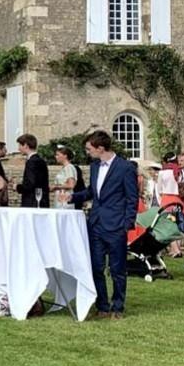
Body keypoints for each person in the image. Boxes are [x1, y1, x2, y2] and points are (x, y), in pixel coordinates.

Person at [71, 130, 139, 319]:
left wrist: (127, 224)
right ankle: (102, 305)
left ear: (100, 148)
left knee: (117, 269)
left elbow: (132, 198)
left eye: (89, 148)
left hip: (116, 225)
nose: (87, 152)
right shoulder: (94, 167)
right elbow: (91, 192)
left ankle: (117, 306)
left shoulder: (125, 168)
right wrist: (72, 197)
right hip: (96, 224)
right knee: (96, 267)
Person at [15, 134, 49, 207]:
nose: (18, 149)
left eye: (20, 145)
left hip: (31, 202)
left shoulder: (31, 162)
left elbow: (30, 184)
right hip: (42, 201)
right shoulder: (41, 160)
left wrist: (17, 187)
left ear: (26, 145)